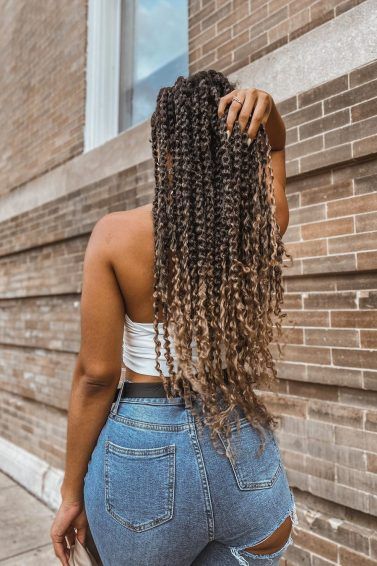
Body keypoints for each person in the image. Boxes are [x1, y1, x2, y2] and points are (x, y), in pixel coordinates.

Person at [50, 69, 297, 566]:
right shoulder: (255, 227)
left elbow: (97, 377)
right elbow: (275, 154)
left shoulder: (116, 236)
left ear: (165, 150)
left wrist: (70, 492)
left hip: (145, 454)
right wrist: (268, 116)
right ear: (233, 148)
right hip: (243, 455)